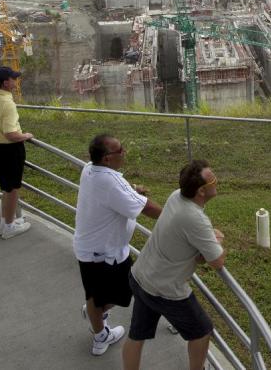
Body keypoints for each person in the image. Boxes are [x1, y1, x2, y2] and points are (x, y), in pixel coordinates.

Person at [123, 160, 226, 370]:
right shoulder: (195, 218)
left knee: (136, 335)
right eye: (213, 179)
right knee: (202, 331)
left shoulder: (175, 195)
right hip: (164, 290)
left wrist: (203, 245)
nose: (217, 181)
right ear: (201, 192)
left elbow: (185, 239)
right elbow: (217, 261)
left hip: (140, 276)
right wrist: (217, 241)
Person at [73, 134, 162, 356]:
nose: (124, 152)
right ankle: (100, 333)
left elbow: (117, 195)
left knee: (95, 296)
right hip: (104, 254)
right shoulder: (109, 181)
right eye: (119, 150)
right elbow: (148, 208)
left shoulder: (90, 169)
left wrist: (132, 193)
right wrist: (175, 217)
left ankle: (96, 315)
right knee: (123, 292)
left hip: (90, 249)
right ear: (106, 158)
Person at [0, 66, 32, 240]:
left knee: (6, 189)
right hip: (9, 151)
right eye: (13, 78)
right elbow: (11, 134)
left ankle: (5, 223)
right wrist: (25, 135)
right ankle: (9, 227)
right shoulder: (7, 104)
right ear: (6, 83)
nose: (16, 81)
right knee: (12, 191)